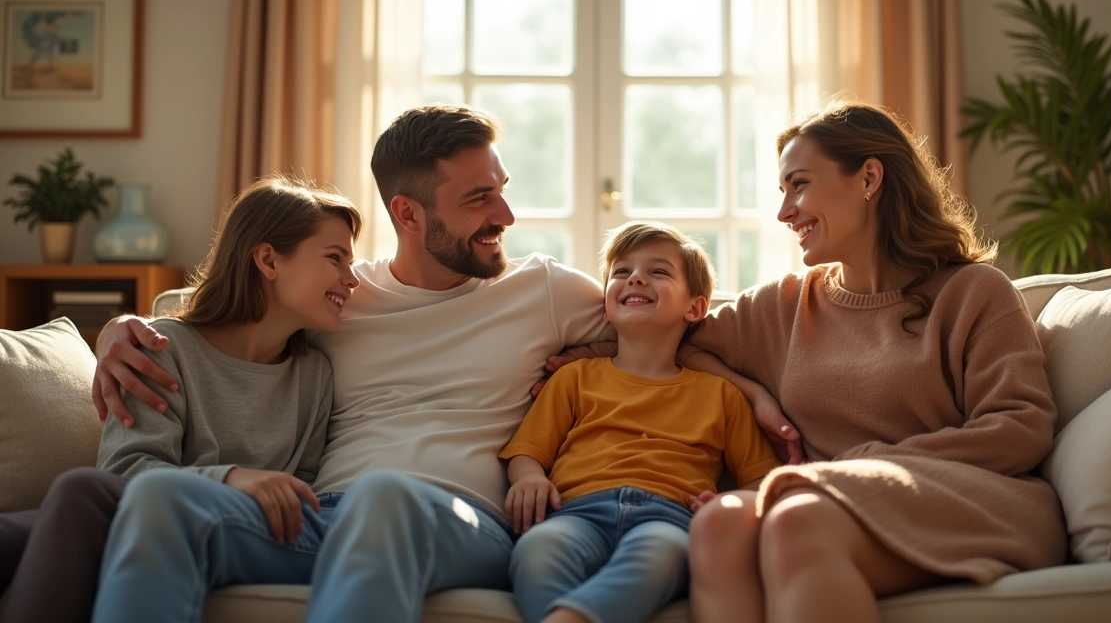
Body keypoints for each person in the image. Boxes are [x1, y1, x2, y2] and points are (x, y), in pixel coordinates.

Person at [91, 105, 768, 623]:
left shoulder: (545, 290)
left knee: (386, 497)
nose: (504, 213)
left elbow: (671, 334)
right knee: (159, 497)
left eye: (501, 190)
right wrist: (120, 330)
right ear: (408, 213)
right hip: (325, 517)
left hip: (467, 523)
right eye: (478, 198)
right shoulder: (338, 296)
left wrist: (748, 392)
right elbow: (222, 322)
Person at [677, 101, 1069, 622]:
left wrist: (862, 465)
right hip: (823, 497)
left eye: (798, 185)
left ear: (868, 177)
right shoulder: (785, 305)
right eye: (782, 191)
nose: (784, 211)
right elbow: (679, 341)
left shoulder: (973, 292)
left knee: (797, 520)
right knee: (718, 524)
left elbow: (1021, 427)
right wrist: (755, 394)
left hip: (969, 498)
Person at [0, 175, 360, 623]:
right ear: (268, 259)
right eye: (335, 259)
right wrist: (230, 477)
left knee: (72, 500)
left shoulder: (314, 375)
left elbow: (297, 490)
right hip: (145, 515)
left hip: (230, 532)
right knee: (82, 492)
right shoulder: (160, 349)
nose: (352, 279)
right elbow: (127, 470)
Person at [502, 222, 781, 623]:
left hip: (668, 518)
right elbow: (527, 451)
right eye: (621, 271)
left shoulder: (722, 395)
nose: (635, 277)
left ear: (695, 308)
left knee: (663, 556)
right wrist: (528, 477)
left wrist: (725, 504)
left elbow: (761, 481)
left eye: (658, 271)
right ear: (607, 306)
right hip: (575, 511)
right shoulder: (574, 378)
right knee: (535, 550)